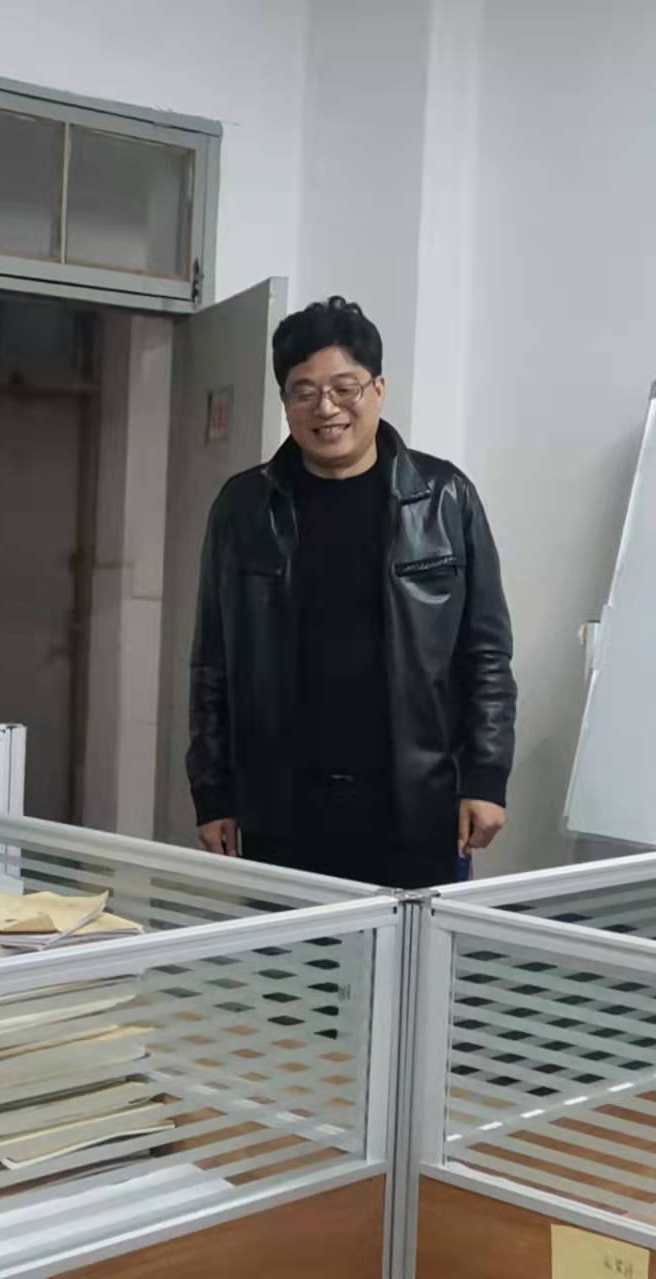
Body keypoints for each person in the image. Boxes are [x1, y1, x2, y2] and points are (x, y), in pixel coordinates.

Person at [184, 296, 516, 890]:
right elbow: (213, 663)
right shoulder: (243, 508)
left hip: (416, 803)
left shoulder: (444, 498)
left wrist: (486, 778)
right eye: (304, 391)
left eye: (345, 388)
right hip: (282, 806)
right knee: (288, 949)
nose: (326, 408)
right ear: (285, 401)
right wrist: (213, 793)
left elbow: (486, 654)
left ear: (378, 390)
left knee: (411, 950)